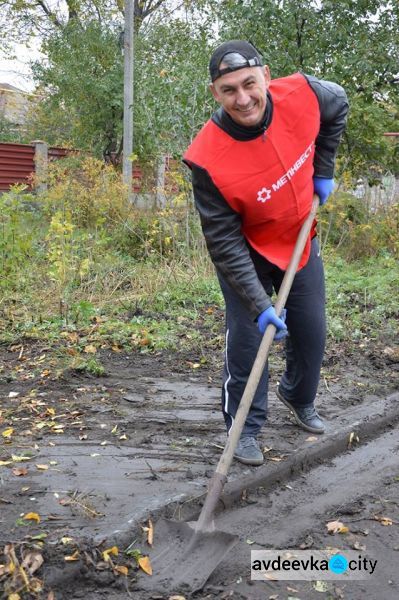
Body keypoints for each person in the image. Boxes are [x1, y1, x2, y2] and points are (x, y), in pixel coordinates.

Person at [183, 40, 349, 466]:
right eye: (228, 90)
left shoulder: (306, 94)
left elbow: (339, 106)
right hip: (247, 254)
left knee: (312, 331)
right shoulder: (207, 158)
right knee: (247, 344)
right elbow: (222, 240)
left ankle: (297, 396)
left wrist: (324, 169)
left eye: (249, 84)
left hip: (299, 240)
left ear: (266, 76)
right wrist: (259, 305)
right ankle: (243, 429)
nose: (243, 98)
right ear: (214, 93)